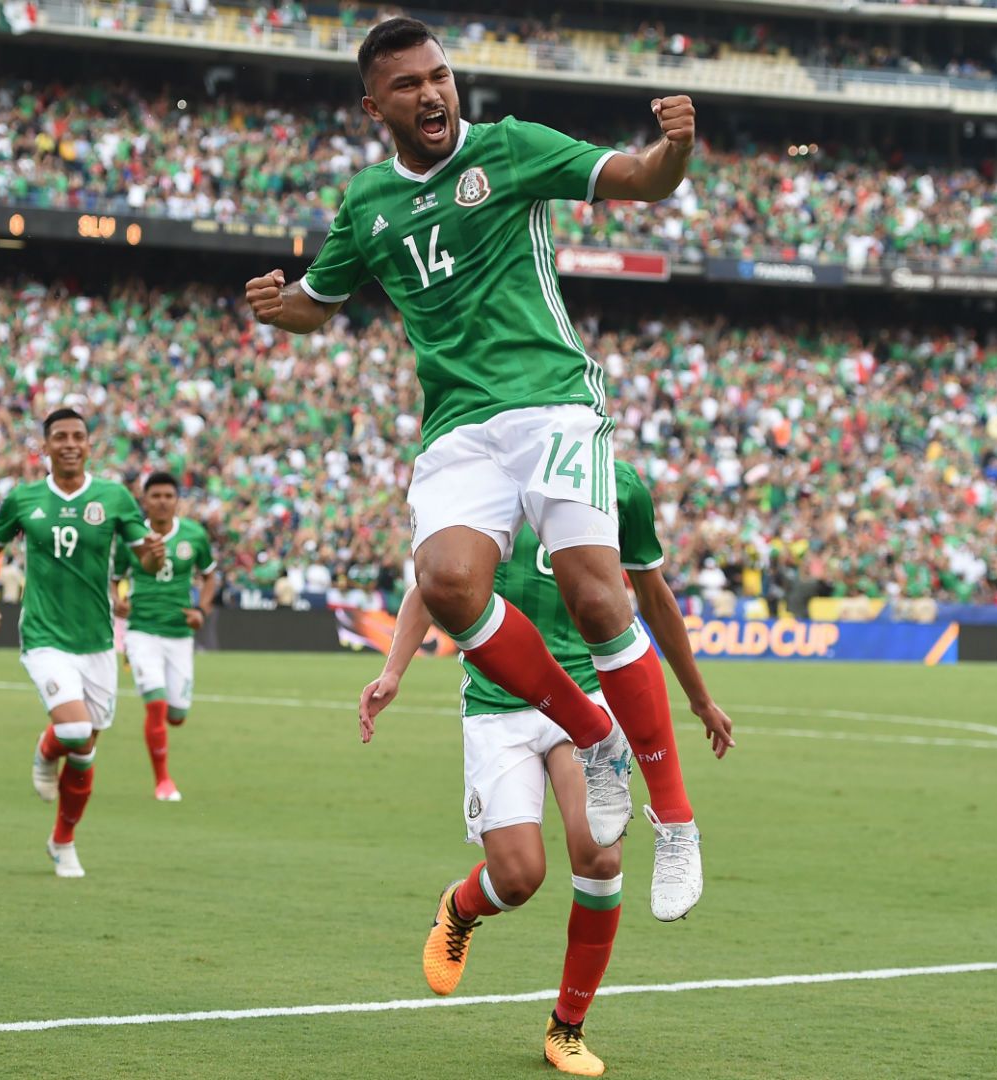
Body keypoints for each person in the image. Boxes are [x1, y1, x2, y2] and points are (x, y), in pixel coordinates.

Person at [245, 15, 707, 915]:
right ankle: (594, 735)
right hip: (459, 425)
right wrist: (279, 306)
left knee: (596, 595)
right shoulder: (367, 203)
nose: (432, 93)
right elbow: (318, 304)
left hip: (553, 401)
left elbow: (642, 181)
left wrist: (675, 148)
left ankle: (678, 822)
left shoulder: (512, 149)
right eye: (410, 84)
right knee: (448, 581)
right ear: (373, 104)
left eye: (441, 76)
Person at [358, 462, 733, 1075]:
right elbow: (434, 583)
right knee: (519, 877)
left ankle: (568, 1026)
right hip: (498, 701)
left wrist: (699, 697)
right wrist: (395, 670)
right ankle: (460, 906)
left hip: (587, 699)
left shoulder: (621, 484)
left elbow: (655, 598)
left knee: (601, 854)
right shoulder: (490, 472)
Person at [0, 409, 163, 878]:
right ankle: (44, 750)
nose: (70, 443)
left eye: (78, 436)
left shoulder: (114, 497)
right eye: (60, 436)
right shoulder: (24, 498)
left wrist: (154, 559)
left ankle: (63, 841)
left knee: (85, 749)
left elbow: (146, 561)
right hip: (43, 635)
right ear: (47, 445)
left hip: (96, 640)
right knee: (73, 732)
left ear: (88, 444)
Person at [112, 471, 217, 803]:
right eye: (155, 496)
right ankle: (163, 781)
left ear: (177, 501)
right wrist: (118, 600)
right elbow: (114, 579)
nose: (162, 502)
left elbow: (210, 576)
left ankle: (166, 739)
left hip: (179, 634)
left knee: (177, 715)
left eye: (168, 496)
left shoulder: (194, 535)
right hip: (142, 630)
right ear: (145, 500)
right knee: (156, 705)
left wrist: (201, 609)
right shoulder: (132, 538)